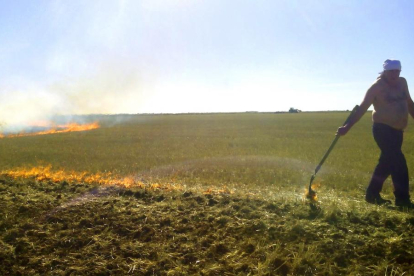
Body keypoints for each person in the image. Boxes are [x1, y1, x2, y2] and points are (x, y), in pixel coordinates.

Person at [337, 59, 414, 207]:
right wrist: (347, 127)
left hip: (398, 131)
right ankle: (402, 199)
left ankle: (372, 194)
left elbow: (410, 103)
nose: (394, 74)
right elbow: (362, 108)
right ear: (385, 71)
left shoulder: (403, 82)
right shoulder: (376, 87)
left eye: (397, 71)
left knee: (386, 164)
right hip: (382, 130)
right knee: (399, 163)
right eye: (391, 71)